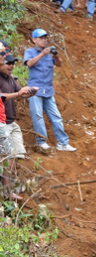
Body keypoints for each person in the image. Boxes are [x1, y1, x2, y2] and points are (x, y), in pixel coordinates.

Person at [23, 30, 76, 152]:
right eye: (41, 38)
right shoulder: (29, 52)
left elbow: (59, 64)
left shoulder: (50, 52)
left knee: (56, 116)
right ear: (34, 39)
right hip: (34, 90)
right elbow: (29, 64)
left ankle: (63, 143)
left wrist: (56, 56)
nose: (44, 40)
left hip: (48, 90)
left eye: (45, 37)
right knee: (37, 116)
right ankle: (41, 142)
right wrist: (42, 54)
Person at [0, 54, 35, 200]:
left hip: (11, 122)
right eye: (8, 63)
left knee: (16, 155)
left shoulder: (10, 79)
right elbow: (1, 96)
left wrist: (29, 92)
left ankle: (10, 186)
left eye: (13, 63)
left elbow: (20, 94)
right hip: (2, 123)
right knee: (7, 156)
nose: (11, 66)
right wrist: (18, 93)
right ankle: (7, 191)